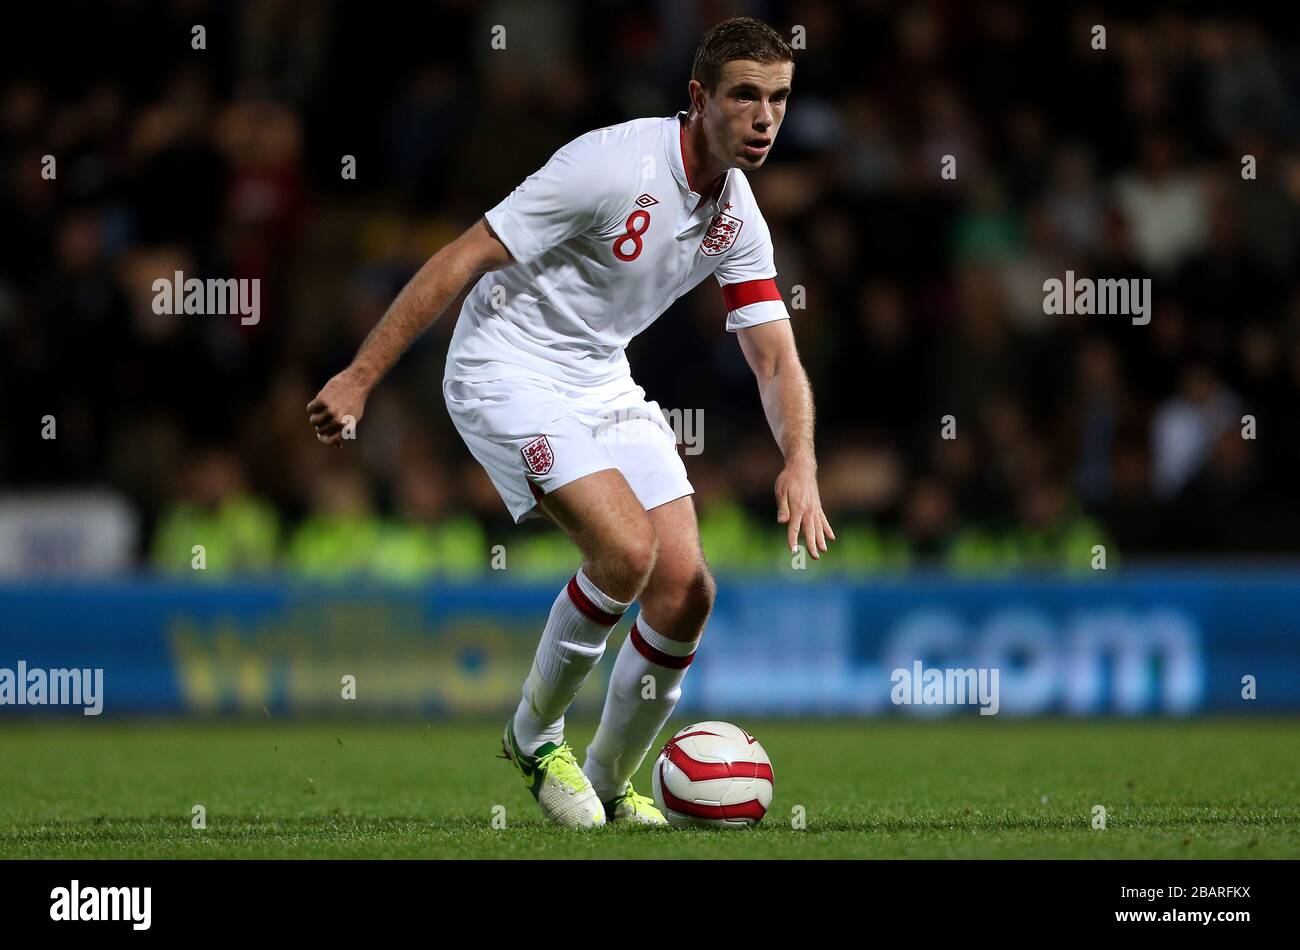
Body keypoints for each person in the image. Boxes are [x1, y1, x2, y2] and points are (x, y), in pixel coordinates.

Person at [307, 16, 834, 827]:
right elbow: (463, 255)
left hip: (598, 378)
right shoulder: (611, 164)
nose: (764, 118)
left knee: (687, 589)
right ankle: (532, 733)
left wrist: (799, 459)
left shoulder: (736, 213)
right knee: (625, 549)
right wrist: (360, 376)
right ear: (698, 98)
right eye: (744, 97)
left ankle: (612, 783)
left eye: (779, 99)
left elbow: (773, 356)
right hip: (504, 365)